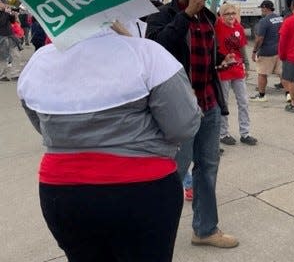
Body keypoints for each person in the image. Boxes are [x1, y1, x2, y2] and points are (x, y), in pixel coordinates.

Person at [17, 26, 201, 261]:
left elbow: (41, 125)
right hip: (142, 190)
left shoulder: (40, 60)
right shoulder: (148, 54)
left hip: (62, 192)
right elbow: (182, 126)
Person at [145, 0, 239, 248]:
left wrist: (222, 58)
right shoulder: (162, 16)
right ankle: (156, 233)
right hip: (178, 109)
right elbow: (155, 48)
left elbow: (208, 52)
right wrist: (185, 16)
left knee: (208, 168)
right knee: (173, 172)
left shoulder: (209, 18)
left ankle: (205, 229)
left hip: (208, 103)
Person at [215, 2, 257, 146]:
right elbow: (211, 9)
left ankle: (245, 133)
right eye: (227, 14)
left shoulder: (239, 27)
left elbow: (242, 47)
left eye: (233, 13)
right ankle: (223, 133)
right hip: (224, 69)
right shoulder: (218, 25)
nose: (231, 16)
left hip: (238, 69)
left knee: (243, 102)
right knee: (224, 103)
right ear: (221, 15)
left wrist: (247, 64)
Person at [251, 0, 283, 102]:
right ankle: (289, 95)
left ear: (266, 8)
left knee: (262, 73)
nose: (261, 10)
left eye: (262, 8)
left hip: (266, 52)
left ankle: (261, 96)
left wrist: (254, 51)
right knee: (282, 73)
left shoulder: (264, 21)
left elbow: (259, 38)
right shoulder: (279, 18)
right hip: (279, 50)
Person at [0, 5, 21, 81]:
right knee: (3, 57)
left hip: (10, 36)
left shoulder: (4, 11)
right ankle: (2, 75)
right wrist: (5, 13)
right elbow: (1, 22)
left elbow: (12, 21)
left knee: (16, 55)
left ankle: (15, 74)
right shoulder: (3, 12)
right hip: (2, 37)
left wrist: (12, 14)